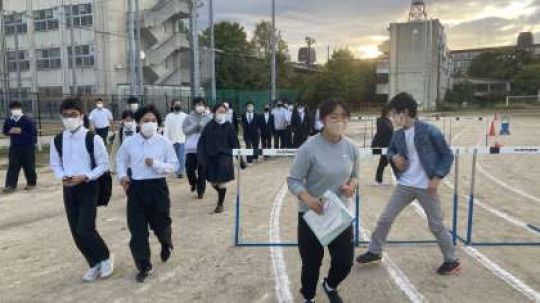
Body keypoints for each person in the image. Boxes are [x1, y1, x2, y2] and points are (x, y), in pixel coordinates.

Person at [356, 92, 461, 275]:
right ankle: (374, 251)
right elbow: (389, 151)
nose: (392, 118)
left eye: (394, 114)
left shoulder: (429, 131)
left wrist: (437, 178)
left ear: (404, 112)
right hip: (405, 185)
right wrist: (394, 156)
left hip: (427, 186)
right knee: (385, 218)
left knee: (436, 225)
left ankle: (451, 260)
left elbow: (447, 155)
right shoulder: (398, 135)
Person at [288, 99, 359, 303]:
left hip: (339, 214)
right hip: (312, 215)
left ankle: (330, 285)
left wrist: (352, 185)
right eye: (333, 117)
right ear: (323, 119)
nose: (339, 122)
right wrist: (309, 200)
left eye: (343, 117)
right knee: (311, 263)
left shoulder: (351, 148)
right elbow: (293, 180)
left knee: (345, 262)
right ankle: (308, 297)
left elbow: (355, 175)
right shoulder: (309, 148)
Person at [49, 98, 113, 282]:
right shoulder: (58, 140)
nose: (69, 119)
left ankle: (105, 257)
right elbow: (55, 164)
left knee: (85, 227)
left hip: (88, 187)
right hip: (68, 188)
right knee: (75, 231)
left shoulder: (93, 138)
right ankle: (93, 264)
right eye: (66, 115)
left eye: (74, 115)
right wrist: (62, 176)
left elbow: (103, 164)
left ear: (81, 116)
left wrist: (86, 176)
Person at [116, 104, 178, 283]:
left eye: (153, 121)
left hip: (158, 188)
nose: (149, 123)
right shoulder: (130, 143)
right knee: (137, 231)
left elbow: (174, 165)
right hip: (136, 189)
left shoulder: (164, 142)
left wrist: (157, 164)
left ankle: (166, 243)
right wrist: (122, 176)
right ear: (138, 122)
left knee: (161, 225)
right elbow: (121, 160)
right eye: (145, 120)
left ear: (158, 123)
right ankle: (144, 265)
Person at [198, 103, 241, 213]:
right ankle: (221, 191)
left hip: (224, 157)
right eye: (219, 111)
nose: (221, 114)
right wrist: (201, 157)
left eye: (223, 112)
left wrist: (240, 157)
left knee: (221, 182)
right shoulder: (209, 126)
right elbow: (202, 142)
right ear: (214, 113)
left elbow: (235, 143)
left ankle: (220, 204)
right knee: (212, 182)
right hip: (210, 158)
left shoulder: (229, 126)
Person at [2, 101, 37, 193]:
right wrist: (10, 131)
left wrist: (21, 132)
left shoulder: (27, 120)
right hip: (14, 147)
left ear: (21, 109)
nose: (15, 110)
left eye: (17, 108)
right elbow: (5, 131)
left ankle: (31, 183)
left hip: (27, 146)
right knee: (13, 166)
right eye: (13, 109)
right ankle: (10, 185)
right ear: (10, 110)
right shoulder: (9, 120)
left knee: (29, 165)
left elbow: (33, 134)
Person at [183, 98, 212, 199]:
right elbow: (185, 131)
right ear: (194, 106)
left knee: (202, 170)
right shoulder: (188, 118)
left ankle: (201, 191)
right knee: (189, 169)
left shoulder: (208, 118)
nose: (200, 106)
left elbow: (210, 131)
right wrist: (196, 125)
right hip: (190, 148)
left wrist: (203, 127)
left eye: (202, 104)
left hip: (203, 148)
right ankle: (193, 183)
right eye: (198, 104)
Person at [371, 105, 394, 185]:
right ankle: (378, 180)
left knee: (383, 162)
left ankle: (378, 180)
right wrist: (374, 144)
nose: (392, 112)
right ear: (387, 112)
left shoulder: (388, 121)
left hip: (389, 144)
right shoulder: (382, 121)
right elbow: (379, 134)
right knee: (391, 161)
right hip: (385, 145)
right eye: (390, 111)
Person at [164, 100, 187, 178]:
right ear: (172, 106)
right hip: (172, 140)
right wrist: (165, 139)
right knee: (172, 157)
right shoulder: (169, 116)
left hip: (182, 139)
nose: (177, 105)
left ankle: (180, 172)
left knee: (181, 157)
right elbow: (166, 129)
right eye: (176, 104)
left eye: (179, 104)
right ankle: (172, 170)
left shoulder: (185, 116)